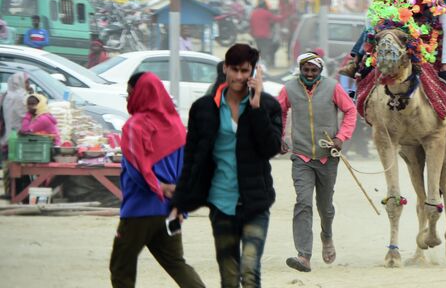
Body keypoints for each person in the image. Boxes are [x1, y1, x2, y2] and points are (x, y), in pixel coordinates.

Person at [170, 44, 283, 287]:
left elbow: (270, 148)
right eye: (235, 70)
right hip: (220, 203)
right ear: (225, 69)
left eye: (245, 71)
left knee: (250, 272)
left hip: (255, 202)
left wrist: (255, 108)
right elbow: (191, 158)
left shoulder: (268, 106)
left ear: (253, 72)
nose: (240, 77)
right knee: (229, 278)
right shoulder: (204, 108)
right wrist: (179, 202)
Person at [109, 72, 204, 288]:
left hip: (140, 210)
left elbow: (137, 168)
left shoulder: (134, 126)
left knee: (121, 266)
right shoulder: (176, 126)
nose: (127, 98)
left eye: (129, 93)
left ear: (140, 93)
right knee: (177, 264)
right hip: (170, 210)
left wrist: (158, 186)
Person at [278, 52, 357, 272]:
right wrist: (280, 135)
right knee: (303, 203)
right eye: (306, 70)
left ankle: (327, 236)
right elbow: (279, 112)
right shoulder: (289, 89)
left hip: (327, 157)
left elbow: (350, 110)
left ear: (320, 71)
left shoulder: (332, 87)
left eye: (314, 70)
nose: (310, 74)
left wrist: (341, 138)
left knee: (325, 207)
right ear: (300, 70)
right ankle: (303, 255)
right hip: (301, 156)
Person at [1, 73, 31, 148]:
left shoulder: (7, 95)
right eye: (26, 82)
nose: (28, 85)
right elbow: (24, 115)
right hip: (19, 136)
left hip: (6, 135)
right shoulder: (22, 96)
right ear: (20, 82)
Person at [249, 0, 281, 68]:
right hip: (265, 36)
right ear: (264, 6)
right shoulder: (266, 13)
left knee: (260, 49)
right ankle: (264, 65)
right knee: (265, 50)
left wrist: (252, 34)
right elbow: (276, 19)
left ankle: (262, 64)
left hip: (256, 36)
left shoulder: (253, 13)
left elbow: (251, 25)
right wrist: (285, 16)